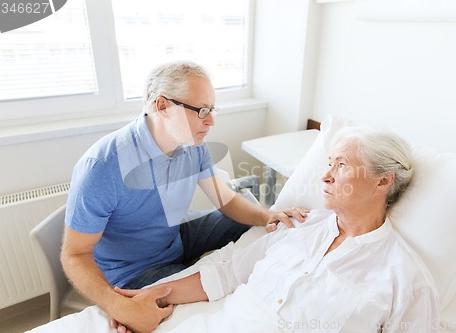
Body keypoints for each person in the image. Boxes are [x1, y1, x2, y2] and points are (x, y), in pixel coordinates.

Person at [114, 126, 440, 333]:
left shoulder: (405, 279)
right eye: (329, 163)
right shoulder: (299, 223)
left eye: (341, 165)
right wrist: (149, 295)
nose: (326, 176)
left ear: (383, 181)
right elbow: (229, 274)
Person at [60, 60, 307, 333]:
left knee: (259, 224)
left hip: (174, 235)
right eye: (202, 110)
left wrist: (266, 215)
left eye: (212, 110)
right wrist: (119, 306)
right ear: (162, 106)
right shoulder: (104, 166)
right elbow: (74, 254)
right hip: (134, 269)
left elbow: (224, 199)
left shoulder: (192, 144)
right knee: (217, 295)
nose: (211, 121)